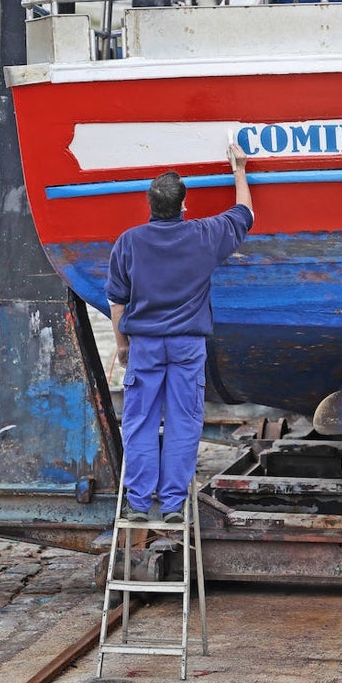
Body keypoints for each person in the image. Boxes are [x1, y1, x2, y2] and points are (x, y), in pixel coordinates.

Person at [106, 140, 254, 522]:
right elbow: (244, 213)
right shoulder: (204, 236)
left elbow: (117, 301)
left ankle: (138, 504)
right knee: (183, 422)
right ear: (184, 206)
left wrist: (122, 345)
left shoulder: (129, 242)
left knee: (139, 422)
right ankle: (173, 505)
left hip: (146, 346)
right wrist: (239, 171)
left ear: (149, 204)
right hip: (188, 346)